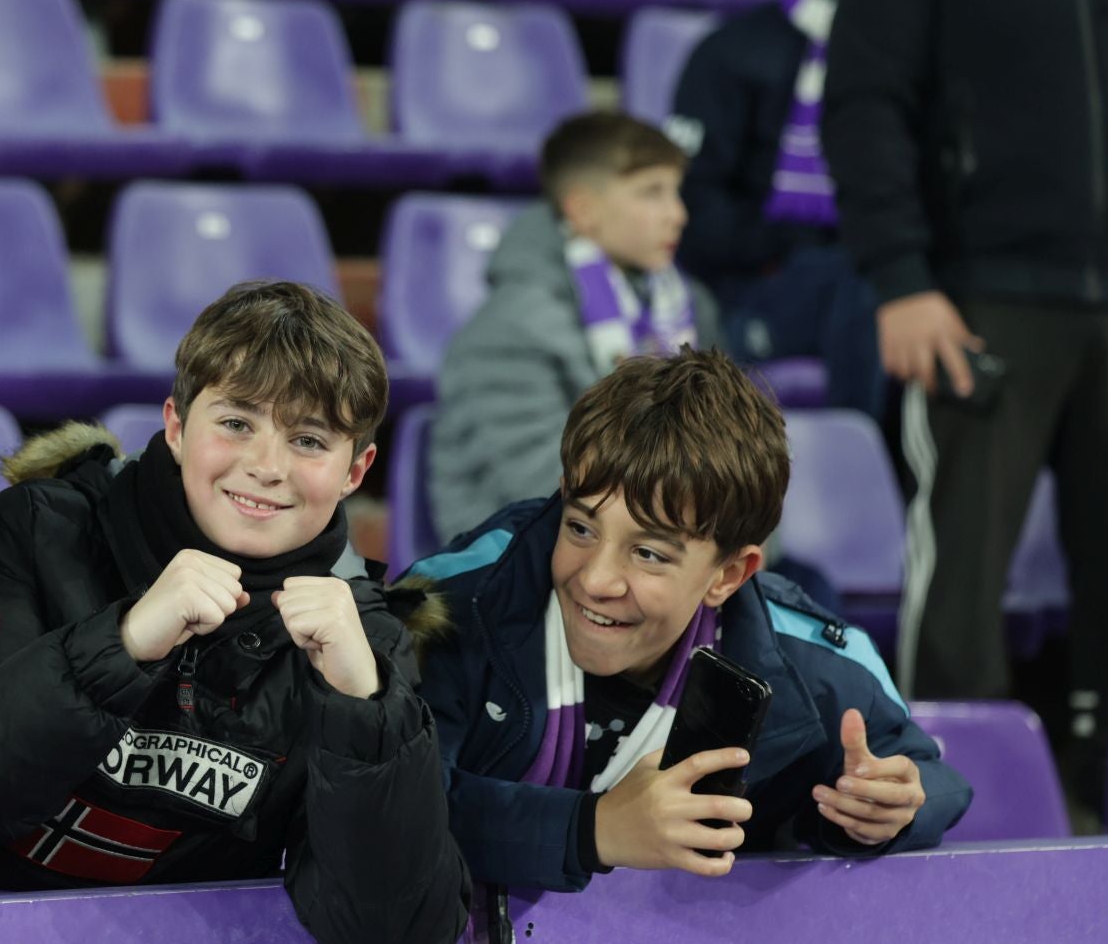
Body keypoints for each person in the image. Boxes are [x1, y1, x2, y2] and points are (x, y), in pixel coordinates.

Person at [0, 281, 470, 944]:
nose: (266, 466)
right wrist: (120, 645)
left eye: (308, 440)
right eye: (237, 423)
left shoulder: (363, 639)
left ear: (354, 471)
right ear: (176, 424)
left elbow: (386, 938)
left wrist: (364, 713)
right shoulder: (40, 533)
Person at [822, 0, 1108, 797]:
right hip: (982, 295)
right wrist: (901, 279)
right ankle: (940, 796)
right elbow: (862, 107)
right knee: (965, 571)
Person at [411, 350, 970, 892]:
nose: (597, 580)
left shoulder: (806, 663)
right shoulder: (450, 611)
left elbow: (935, 779)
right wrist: (593, 829)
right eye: (581, 527)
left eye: (648, 553)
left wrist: (893, 809)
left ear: (729, 574)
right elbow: (395, 821)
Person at [668, 0, 893, 420]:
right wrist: (780, 241)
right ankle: (872, 482)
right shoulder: (732, 50)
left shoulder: (918, 50)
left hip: (885, 271)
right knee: (860, 282)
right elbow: (691, 207)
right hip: (758, 290)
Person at [429, 111, 718, 543]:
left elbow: (733, 446)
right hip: (523, 560)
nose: (677, 214)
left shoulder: (688, 305)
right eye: (651, 193)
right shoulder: (510, 326)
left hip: (664, 540)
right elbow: (544, 483)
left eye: (676, 192)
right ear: (582, 209)